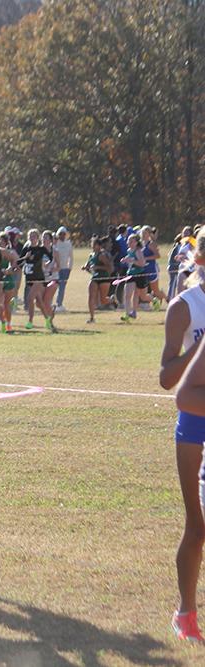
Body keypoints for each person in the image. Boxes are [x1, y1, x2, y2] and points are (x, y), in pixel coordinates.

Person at [160, 232, 205, 642]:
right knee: (198, 525)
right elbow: (166, 379)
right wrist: (200, 347)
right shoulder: (185, 306)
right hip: (196, 423)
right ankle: (186, 612)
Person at [82, 236, 114, 323]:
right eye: (92, 243)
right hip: (95, 277)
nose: (92, 245)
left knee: (103, 300)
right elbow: (89, 264)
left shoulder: (102, 255)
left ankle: (112, 300)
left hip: (104, 278)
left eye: (94, 244)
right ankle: (92, 318)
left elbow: (109, 268)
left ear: (99, 246)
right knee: (91, 297)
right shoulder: (91, 255)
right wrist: (86, 267)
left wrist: (98, 267)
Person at [120, 234, 148, 322]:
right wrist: (125, 260)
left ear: (136, 243)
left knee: (142, 296)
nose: (129, 243)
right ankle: (128, 314)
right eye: (128, 241)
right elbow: (130, 260)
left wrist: (132, 260)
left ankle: (154, 300)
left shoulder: (138, 251)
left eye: (131, 241)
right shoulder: (129, 250)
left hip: (139, 274)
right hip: (130, 274)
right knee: (127, 295)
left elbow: (142, 263)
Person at [53, 226, 73, 311]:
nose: (62, 235)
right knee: (53, 286)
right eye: (60, 234)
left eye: (63, 234)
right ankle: (50, 303)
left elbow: (71, 257)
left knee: (62, 287)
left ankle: (59, 304)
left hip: (65, 269)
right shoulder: (55, 244)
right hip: (56, 268)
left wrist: (69, 268)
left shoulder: (68, 244)